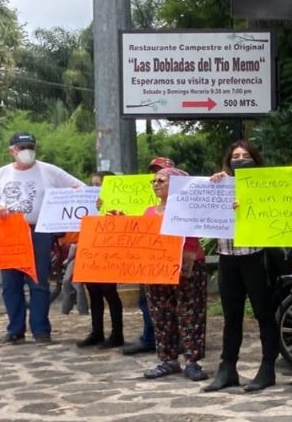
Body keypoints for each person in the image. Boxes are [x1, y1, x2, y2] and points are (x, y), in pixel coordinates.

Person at [0, 131, 84, 344]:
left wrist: (76, 198)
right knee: (11, 282)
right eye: (21, 148)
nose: (26, 152)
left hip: (39, 231)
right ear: (12, 151)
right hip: (9, 232)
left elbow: (79, 187)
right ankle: (15, 329)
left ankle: (40, 329)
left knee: (38, 281)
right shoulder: (3, 173)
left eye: (30, 147)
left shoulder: (49, 171)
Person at [203, 141, 280, 393]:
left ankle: (267, 367)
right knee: (231, 316)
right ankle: (228, 368)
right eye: (235, 155)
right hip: (227, 255)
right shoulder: (220, 185)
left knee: (263, 314)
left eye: (245, 156)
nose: (239, 159)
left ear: (255, 160)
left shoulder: (265, 185)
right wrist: (218, 186)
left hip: (254, 256)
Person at [142, 166, 210, 381]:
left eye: (162, 180)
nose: (156, 184)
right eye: (154, 181)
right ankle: (168, 359)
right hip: (158, 267)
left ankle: (192, 361)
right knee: (161, 313)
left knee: (191, 311)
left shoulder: (191, 208)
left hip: (189, 264)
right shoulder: (149, 212)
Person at [123, 156, 175, 356]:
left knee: (171, 304)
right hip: (151, 260)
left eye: (161, 173)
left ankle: (171, 341)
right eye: (153, 173)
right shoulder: (148, 205)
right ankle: (151, 337)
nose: (156, 178)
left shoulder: (181, 203)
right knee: (147, 302)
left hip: (171, 260)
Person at [77, 171, 125, 349]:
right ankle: (96, 332)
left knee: (109, 292)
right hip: (92, 249)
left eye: (99, 185)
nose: (95, 189)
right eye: (93, 185)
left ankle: (116, 333)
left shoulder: (118, 204)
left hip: (109, 252)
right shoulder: (87, 203)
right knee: (93, 291)